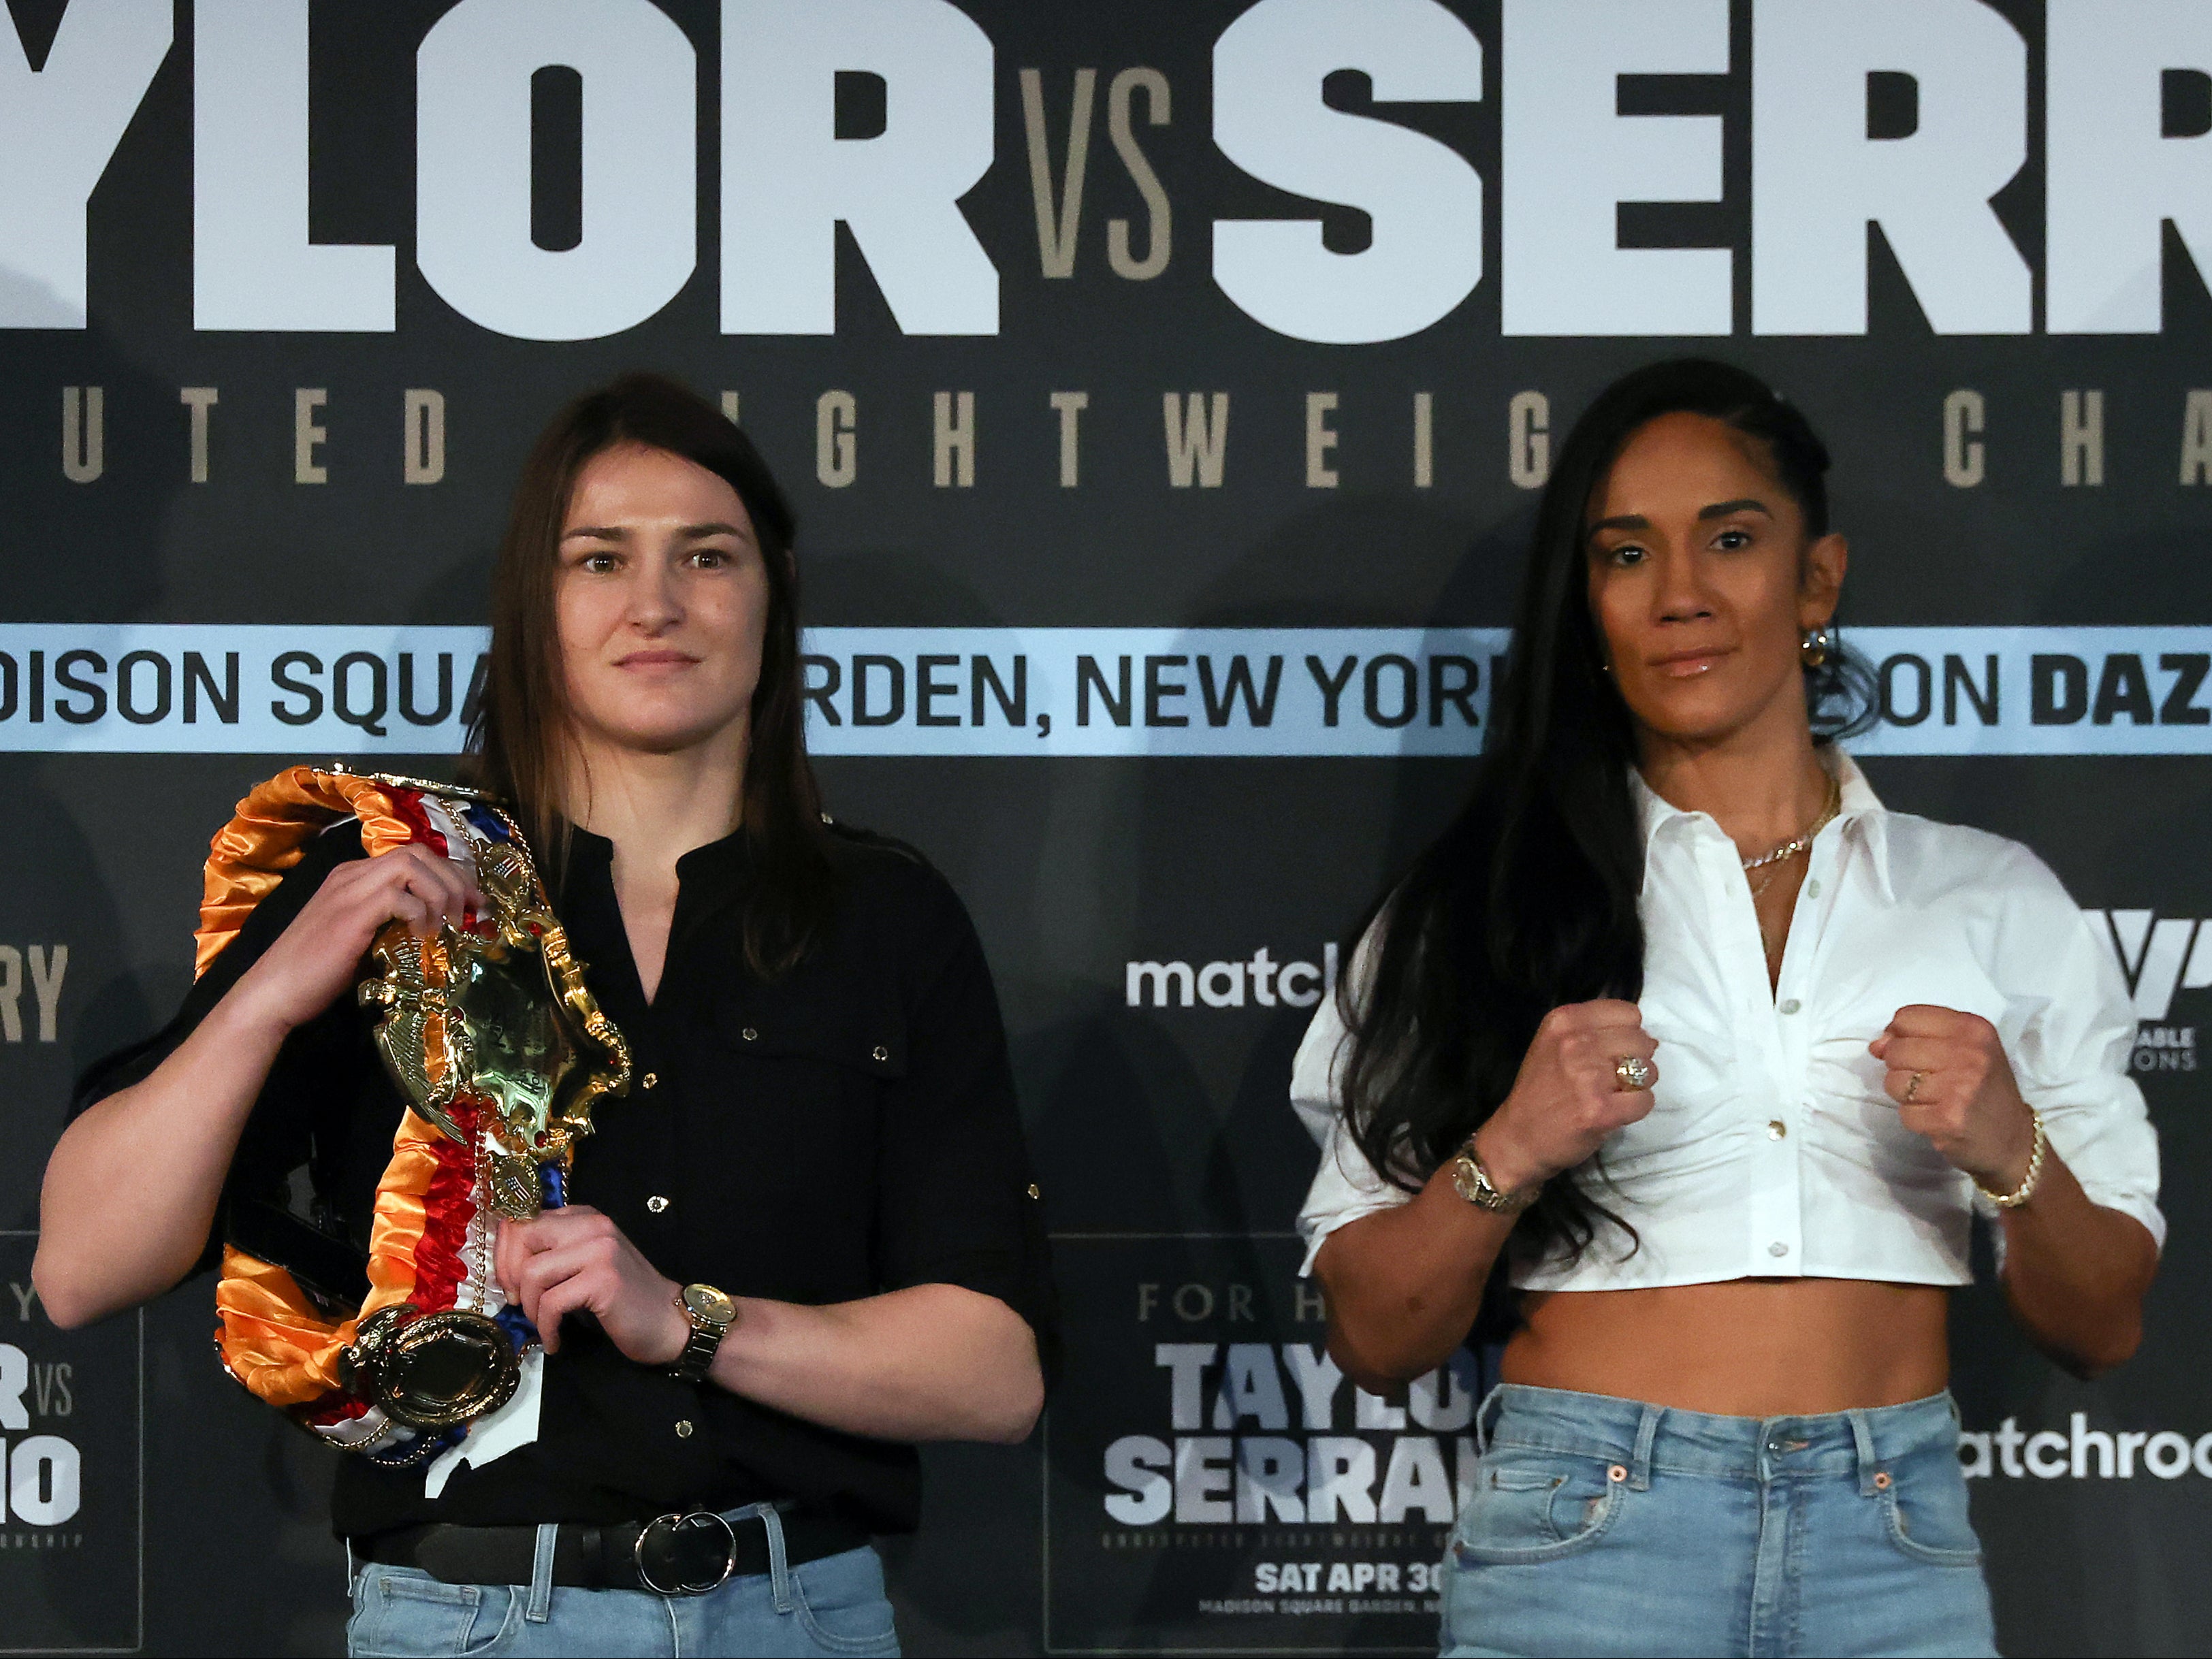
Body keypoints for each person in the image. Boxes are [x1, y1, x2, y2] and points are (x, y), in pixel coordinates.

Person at [35, 372, 1054, 1658]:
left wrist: (685, 1320)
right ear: (535, 600)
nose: (656, 604)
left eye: (706, 555)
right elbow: (79, 1267)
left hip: (804, 1615)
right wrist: (276, 991)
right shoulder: (397, 882)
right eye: (599, 559)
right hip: (467, 1617)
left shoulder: (888, 918)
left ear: (775, 586)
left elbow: (994, 1372)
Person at [1292, 359, 2161, 1659]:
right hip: (1585, 1540)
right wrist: (1509, 1149)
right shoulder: (1470, 910)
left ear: (1817, 579)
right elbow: (1372, 1334)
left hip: (1895, 1541)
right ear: (1584, 602)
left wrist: (2011, 1152)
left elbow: (2102, 1325)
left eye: (1732, 539)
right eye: (1625, 552)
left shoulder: (1987, 895)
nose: (1681, 593)